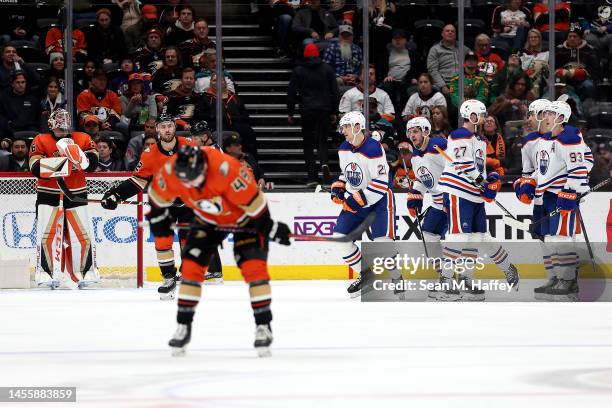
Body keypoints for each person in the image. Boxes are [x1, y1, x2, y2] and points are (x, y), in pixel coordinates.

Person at [147, 145, 291, 356]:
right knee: (191, 270)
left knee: (254, 269)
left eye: (195, 180)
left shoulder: (228, 170)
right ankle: (183, 326)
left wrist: (269, 227)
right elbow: (156, 197)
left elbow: (257, 205)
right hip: (207, 221)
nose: (192, 186)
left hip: (244, 219)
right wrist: (158, 217)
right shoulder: (171, 171)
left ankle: (264, 326)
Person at [100, 114, 209, 299]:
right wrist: (116, 195)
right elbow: (138, 181)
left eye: (170, 126)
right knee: (162, 241)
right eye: (163, 126)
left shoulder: (190, 146)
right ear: (157, 129)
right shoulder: (149, 154)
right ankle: (168, 278)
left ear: (174, 128)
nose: (167, 130)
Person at [438, 100, 519, 300]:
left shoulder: (480, 139)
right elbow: (465, 165)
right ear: (472, 116)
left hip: (473, 195)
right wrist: (483, 183)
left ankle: (498, 269)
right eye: (481, 115)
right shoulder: (459, 135)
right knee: (459, 236)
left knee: (479, 237)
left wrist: (489, 180)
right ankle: (445, 280)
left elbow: (478, 168)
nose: (483, 119)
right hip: (458, 192)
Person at [330, 111, 402, 297]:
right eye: (342, 126)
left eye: (346, 126)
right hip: (357, 199)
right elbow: (346, 173)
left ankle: (397, 277)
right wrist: (339, 187)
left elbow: (381, 182)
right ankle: (365, 274)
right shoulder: (343, 148)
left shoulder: (373, 148)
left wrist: (355, 200)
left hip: (379, 201)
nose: (342, 130)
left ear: (356, 127)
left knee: (383, 245)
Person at [528, 100, 594, 300]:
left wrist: (572, 190)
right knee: (551, 239)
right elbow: (545, 170)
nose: (545, 117)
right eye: (545, 113)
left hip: (561, 195)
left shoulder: (569, 139)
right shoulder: (550, 140)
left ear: (560, 118)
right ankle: (558, 278)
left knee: (562, 238)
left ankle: (568, 281)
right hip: (548, 195)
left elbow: (580, 167)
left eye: (549, 113)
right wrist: (530, 181)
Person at [28, 109, 99, 288]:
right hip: (48, 194)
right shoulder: (40, 140)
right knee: (47, 234)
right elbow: (35, 168)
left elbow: (92, 162)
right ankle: (47, 273)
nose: (63, 129)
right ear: (51, 124)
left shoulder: (82, 138)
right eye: (59, 126)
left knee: (82, 234)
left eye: (66, 125)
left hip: (77, 193)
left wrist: (82, 159)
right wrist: (66, 163)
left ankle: (85, 272)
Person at [404, 116, 457, 300]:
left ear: (426, 131)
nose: (412, 135)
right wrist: (416, 195)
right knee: (428, 235)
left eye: (416, 131)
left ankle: (455, 282)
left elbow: (455, 170)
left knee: (456, 240)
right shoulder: (415, 156)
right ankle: (444, 277)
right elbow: (423, 178)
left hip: (455, 200)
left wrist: (449, 199)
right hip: (437, 203)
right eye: (410, 131)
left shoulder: (439, 146)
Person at [287, 43, 339, 186]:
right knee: (322, 141)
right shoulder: (327, 69)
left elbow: (291, 93)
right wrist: (334, 111)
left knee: (308, 143)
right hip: (324, 109)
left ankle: (312, 177)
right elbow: (335, 91)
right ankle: (324, 166)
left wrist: (290, 112)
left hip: (307, 109)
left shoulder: (298, 70)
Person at [555, 24, 599, 100]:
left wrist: (582, 73)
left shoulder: (590, 50)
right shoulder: (559, 50)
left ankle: (584, 108)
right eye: (570, 36)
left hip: (583, 82)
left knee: (589, 86)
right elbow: (553, 68)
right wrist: (560, 72)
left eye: (575, 36)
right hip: (564, 82)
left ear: (580, 38)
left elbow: (595, 70)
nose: (572, 39)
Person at [426, 24, 470, 97]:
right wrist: (442, 86)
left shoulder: (463, 48)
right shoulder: (435, 49)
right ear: (442, 34)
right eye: (447, 31)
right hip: (444, 84)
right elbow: (432, 70)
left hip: (462, 83)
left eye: (452, 31)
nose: (450, 32)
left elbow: (473, 60)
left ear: (456, 35)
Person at [378, 28, 416, 110]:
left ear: (405, 40)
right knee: (387, 88)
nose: (397, 41)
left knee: (408, 90)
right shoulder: (387, 54)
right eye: (395, 39)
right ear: (392, 40)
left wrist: (410, 78)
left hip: (406, 80)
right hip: (390, 81)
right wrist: (385, 76)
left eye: (400, 39)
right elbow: (381, 69)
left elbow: (414, 68)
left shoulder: (411, 54)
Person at [0, 71, 40, 137]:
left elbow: (38, 118)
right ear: (12, 84)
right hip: (10, 131)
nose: (21, 85)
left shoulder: (33, 99)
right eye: (18, 82)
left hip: (31, 131)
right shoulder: (4, 98)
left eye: (23, 82)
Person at [322, 25, 363, 89]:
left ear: (352, 37)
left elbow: (361, 68)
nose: (345, 38)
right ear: (339, 36)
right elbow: (325, 69)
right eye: (343, 35)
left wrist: (355, 76)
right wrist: (341, 77)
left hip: (354, 81)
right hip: (337, 81)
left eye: (348, 35)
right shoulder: (331, 48)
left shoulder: (357, 49)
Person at [518, 29, 549, 97]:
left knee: (538, 64)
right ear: (528, 39)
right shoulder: (523, 53)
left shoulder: (546, 52)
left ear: (539, 39)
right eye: (531, 37)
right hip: (527, 79)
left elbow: (548, 68)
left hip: (544, 79)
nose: (533, 39)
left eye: (535, 37)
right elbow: (521, 69)